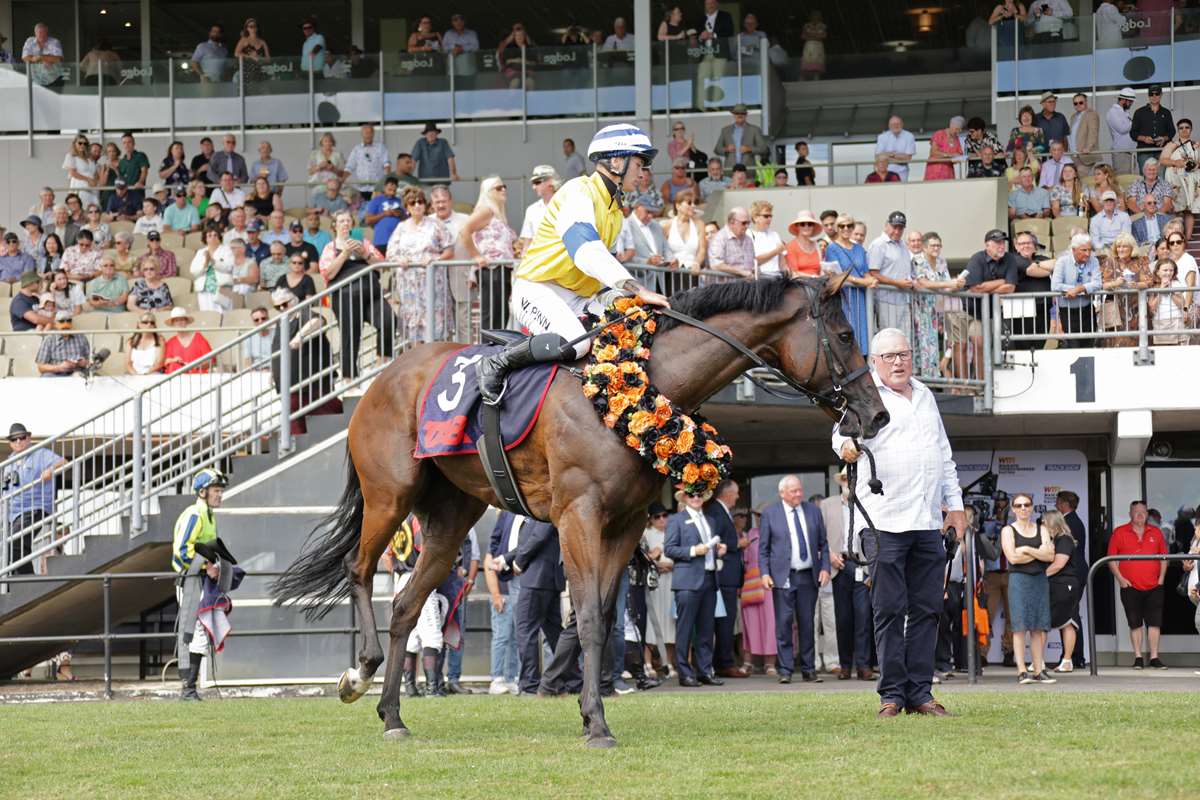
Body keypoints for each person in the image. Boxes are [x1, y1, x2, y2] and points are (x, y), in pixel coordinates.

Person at [476, 125, 669, 403]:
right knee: (576, 342)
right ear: (616, 161)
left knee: (633, 317)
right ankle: (497, 363)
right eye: (639, 164)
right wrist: (638, 288)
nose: (643, 173)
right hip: (537, 288)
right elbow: (587, 252)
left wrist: (630, 297)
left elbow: (604, 266)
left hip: (576, 295)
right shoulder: (578, 192)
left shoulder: (616, 210)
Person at [836, 327, 965, 717]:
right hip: (883, 522)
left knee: (927, 609)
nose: (898, 362)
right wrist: (847, 445)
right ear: (874, 361)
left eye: (903, 354)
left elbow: (943, 454)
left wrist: (954, 506)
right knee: (889, 610)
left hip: (926, 520)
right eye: (889, 356)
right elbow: (839, 439)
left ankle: (920, 693)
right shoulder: (863, 394)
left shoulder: (925, 395)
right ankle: (891, 694)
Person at [758, 475, 829, 684]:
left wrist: (824, 568)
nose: (798, 494)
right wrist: (764, 573)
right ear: (782, 493)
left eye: (799, 490)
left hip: (808, 576)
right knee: (784, 625)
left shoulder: (813, 511)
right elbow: (763, 549)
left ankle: (809, 670)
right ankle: (786, 670)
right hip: (783, 577)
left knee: (808, 624)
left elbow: (823, 545)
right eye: (793, 491)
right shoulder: (770, 513)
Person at [172, 468, 235, 700]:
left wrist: (217, 565)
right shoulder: (195, 515)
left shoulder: (209, 515)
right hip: (190, 582)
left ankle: (189, 689)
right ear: (202, 492)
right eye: (216, 491)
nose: (220, 495)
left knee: (200, 633)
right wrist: (206, 567)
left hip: (200, 581)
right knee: (196, 633)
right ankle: (188, 690)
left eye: (220, 491)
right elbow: (181, 552)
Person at [665, 491, 728, 687]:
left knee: (706, 630)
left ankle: (704, 671)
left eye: (699, 494)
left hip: (709, 578)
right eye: (691, 494)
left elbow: (711, 549)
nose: (696, 497)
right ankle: (685, 672)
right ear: (684, 498)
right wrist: (694, 550)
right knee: (685, 629)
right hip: (687, 582)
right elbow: (669, 549)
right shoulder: (677, 519)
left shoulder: (710, 520)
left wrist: (719, 550)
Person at [323, 209, 394, 379]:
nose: (346, 224)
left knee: (388, 320)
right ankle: (349, 378)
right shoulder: (330, 247)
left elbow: (382, 267)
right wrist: (345, 253)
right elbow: (328, 273)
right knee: (349, 337)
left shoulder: (365, 243)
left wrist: (364, 253)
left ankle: (381, 366)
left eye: (348, 221)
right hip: (345, 298)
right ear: (334, 226)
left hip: (371, 295)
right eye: (341, 221)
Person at [999, 493, 1056, 685]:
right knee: (1020, 627)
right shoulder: (1008, 530)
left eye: (1027, 505)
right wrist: (1039, 552)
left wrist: (1027, 550)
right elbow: (1013, 558)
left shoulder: (1042, 529)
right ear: (1014, 509)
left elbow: (1050, 556)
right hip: (1019, 581)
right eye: (1019, 505)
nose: (1023, 508)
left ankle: (1039, 670)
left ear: (1032, 507)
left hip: (1039, 580)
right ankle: (1022, 671)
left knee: (1038, 628)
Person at [384, 187, 452, 343]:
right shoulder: (401, 227)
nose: (417, 205)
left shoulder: (436, 225)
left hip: (433, 282)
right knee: (414, 327)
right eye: (412, 203)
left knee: (435, 325)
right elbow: (390, 253)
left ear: (425, 205)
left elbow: (449, 250)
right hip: (409, 285)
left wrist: (436, 260)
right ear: (407, 207)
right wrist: (400, 260)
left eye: (420, 201)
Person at [1108, 500, 1169, 669]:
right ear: (1130, 514)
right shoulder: (1119, 532)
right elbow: (1111, 559)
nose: (1140, 514)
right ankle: (1138, 658)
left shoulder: (1156, 532)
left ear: (1147, 514)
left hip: (1155, 586)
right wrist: (1121, 580)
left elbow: (1164, 557)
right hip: (1130, 586)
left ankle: (1155, 658)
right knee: (1134, 623)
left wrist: (1161, 578)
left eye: (1143, 511)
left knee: (1155, 622)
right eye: (1136, 511)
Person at [3, 423, 66, 575]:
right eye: (14, 439)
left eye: (22, 437)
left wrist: (50, 470)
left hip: (35, 507)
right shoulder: (8, 463)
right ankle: (16, 584)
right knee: (10, 548)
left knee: (15, 542)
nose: (18, 441)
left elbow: (63, 462)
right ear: (10, 443)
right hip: (13, 513)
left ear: (28, 438)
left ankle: (27, 581)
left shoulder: (40, 453)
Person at [510, 519, 565, 695]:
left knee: (526, 631)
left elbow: (538, 536)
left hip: (537, 578)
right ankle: (570, 680)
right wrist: (506, 559)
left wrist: (519, 561)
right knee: (556, 634)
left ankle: (529, 684)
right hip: (547, 578)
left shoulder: (542, 509)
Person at [459, 176, 517, 331]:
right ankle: (488, 350)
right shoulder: (486, 210)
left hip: (502, 269)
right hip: (491, 269)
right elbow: (464, 231)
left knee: (500, 313)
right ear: (489, 192)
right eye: (498, 188)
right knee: (491, 314)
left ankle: (496, 349)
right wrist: (476, 255)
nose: (503, 190)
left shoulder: (497, 213)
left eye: (504, 186)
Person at [484, 511, 524, 695]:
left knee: (516, 638)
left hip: (518, 591)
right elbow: (488, 563)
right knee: (501, 637)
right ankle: (497, 678)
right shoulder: (498, 541)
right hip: (503, 593)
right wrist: (496, 595)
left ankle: (512, 678)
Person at [825, 215, 875, 356]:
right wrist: (863, 281)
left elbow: (865, 272)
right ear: (837, 228)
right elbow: (838, 273)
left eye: (849, 226)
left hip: (860, 297)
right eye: (842, 226)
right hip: (844, 296)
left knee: (862, 331)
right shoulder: (832, 248)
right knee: (845, 331)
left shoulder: (859, 249)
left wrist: (871, 280)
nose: (846, 229)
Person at [1099, 233, 1152, 347]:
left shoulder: (1141, 260)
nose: (1120, 249)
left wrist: (1136, 285)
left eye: (1124, 246)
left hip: (1136, 308)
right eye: (1118, 246)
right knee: (1116, 341)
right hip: (1116, 308)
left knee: (1137, 341)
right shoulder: (1110, 262)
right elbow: (1102, 284)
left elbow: (1149, 281)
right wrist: (1116, 283)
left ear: (1132, 248)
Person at [868, 211, 913, 339]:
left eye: (901, 228)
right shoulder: (879, 244)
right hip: (886, 299)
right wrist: (897, 283)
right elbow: (873, 274)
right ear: (886, 225)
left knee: (904, 340)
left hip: (903, 299)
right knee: (889, 340)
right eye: (895, 227)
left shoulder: (903, 245)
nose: (897, 231)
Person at [1050, 233, 1101, 347]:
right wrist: (1077, 289)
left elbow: (1098, 283)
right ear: (1073, 250)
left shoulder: (1094, 261)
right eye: (1084, 250)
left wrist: (1079, 289)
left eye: (1089, 250)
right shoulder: (1062, 261)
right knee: (1073, 346)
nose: (1088, 254)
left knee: (1088, 344)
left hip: (1087, 310)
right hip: (1067, 311)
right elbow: (1055, 286)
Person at [1160, 119, 1200, 242]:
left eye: (1187, 127)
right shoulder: (1172, 144)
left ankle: (1187, 237)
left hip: (1191, 179)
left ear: (1191, 129)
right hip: (1176, 178)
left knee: (1189, 210)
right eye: (1181, 128)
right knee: (1176, 209)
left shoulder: (1196, 145)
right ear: (1178, 130)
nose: (1184, 130)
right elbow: (1162, 160)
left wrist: (1196, 165)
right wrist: (1175, 162)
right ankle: (1176, 235)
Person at [189, 226, 235, 313]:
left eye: (215, 235)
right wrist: (205, 263)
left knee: (223, 314)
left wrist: (213, 261)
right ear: (205, 239)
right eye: (209, 235)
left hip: (222, 288)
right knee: (207, 315)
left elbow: (229, 267)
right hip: (204, 289)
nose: (212, 237)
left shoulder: (226, 250)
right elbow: (193, 271)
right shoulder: (200, 252)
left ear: (219, 238)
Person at [34, 310, 90, 377]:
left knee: (93, 377)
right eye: (62, 321)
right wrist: (59, 367)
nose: (66, 324)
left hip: (78, 373)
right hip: (56, 374)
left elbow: (91, 360)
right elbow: (41, 367)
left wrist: (84, 363)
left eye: (69, 321)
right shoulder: (49, 339)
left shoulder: (81, 337)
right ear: (55, 324)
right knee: (47, 377)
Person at [714, 104, 769, 170]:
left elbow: (764, 149)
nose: (740, 115)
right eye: (737, 113)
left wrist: (749, 149)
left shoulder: (754, 129)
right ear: (734, 115)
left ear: (746, 115)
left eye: (742, 113)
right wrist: (726, 149)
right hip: (730, 171)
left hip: (748, 171)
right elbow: (717, 149)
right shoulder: (725, 130)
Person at [1131, 85, 1173, 171]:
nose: (1154, 96)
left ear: (1161, 95)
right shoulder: (1139, 112)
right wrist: (1144, 138)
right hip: (1144, 151)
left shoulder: (1166, 112)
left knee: (1162, 177)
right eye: (1151, 94)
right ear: (1148, 95)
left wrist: (1163, 138)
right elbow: (1133, 133)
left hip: (1162, 151)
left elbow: (1172, 131)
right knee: (1146, 177)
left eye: (1156, 94)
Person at [705, 207, 755, 279]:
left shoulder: (748, 240)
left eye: (748, 223)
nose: (747, 226)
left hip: (745, 286)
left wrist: (753, 270)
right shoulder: (719, 238)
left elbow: (750, 263)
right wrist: (741, 271)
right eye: (744, 223)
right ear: (732, 222)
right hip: (725, 287)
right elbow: (716, 264)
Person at [1148, 259, 1189, 345]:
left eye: (1171, 270)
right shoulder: (1153, 287)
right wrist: (1161, 289)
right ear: (1157, 272)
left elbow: (1181, 304)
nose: (1168, 273)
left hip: (1176, 320)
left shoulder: (1176, 284)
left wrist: (1170, 291)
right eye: (1165, 270)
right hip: (1160, 322)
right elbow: (1152, 307)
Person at [21, 22, 65, 87]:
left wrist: (41, 57)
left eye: (44, 32)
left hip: (54, 79)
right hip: (35, 79)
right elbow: (25, 57)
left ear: (47, 32)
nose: (42, 34)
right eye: (39, 32)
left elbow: (58, 58)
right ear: (35, 33)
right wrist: (47, 59)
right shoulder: (30, 41)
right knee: (35, 97)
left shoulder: (54, 42)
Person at [748, 201, 785, 276]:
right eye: (766, 216)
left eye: (771, 216)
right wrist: (776, 251)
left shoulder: (775, 234)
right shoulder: (747, 235)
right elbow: (753, 262)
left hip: (777, 279)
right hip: (759, 280)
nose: (769, 219)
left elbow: (782, 262)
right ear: (755, 217)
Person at [875, 116, 916, 181]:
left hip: (902, 170)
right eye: (893, 124)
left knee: (901, 190)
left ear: (902, 124)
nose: (895, 126)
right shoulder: (882, 137)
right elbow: (878, 157)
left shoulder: (909, 136)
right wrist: (899, 156)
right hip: (885, 171)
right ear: (889, 126)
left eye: (898, 124)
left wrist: (890, 155)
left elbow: (908, 158)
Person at [62, 135, 98, 208]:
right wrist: (88, 179)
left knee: (94, 209)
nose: (82, 145)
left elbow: (94, 172)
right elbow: (73, 173)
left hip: (92, 189)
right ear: (75, 144)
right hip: (80, 187)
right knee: (83, 208)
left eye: (85, 143)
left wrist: (95, 180)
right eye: (80, 143)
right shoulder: (71, 156)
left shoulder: (89, 158)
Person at [784, 210, 822, 277]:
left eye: (810, 224)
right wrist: (812, 277)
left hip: (818, 283)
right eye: (802, 224)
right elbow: (793, 273)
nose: (806, 227)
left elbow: (821, 270)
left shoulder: (817, 245)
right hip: (799, 284)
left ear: (813, 227)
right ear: (797, 227)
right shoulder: (791, 246)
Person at [1108, 87, 1137, 174]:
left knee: (1129, 181)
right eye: (1130, 102)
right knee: (1123, 180)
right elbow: (1122, 129)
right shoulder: (1113, 112)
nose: (1131, 104)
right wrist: (1135, 122)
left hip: (1128, 153)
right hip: (1121, 153)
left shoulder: (1122, 112)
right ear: (1124, 100)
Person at [925, 117, 964, 181]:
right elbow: (933, 152)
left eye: (959, 130)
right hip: (935, 171)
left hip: (949, 172)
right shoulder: (939, 134)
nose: (958, 132)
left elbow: (959, 154)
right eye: (956, 129)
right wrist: (950, 155)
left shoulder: (956, 138)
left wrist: (958, 158)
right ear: (951, 125)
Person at [799, 10, 827, 79]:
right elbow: (803, 36)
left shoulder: (822, 26)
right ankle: (802, 79)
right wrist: (815, 36)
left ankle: (816, 78)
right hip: (809, 46)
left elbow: (823, 36)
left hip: (818, 46)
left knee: (817, 63)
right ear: (811, 17)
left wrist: (812, 36)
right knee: (807, 63)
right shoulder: (806, 25)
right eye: (814, 16)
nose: (815, 18)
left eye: (817, 16)